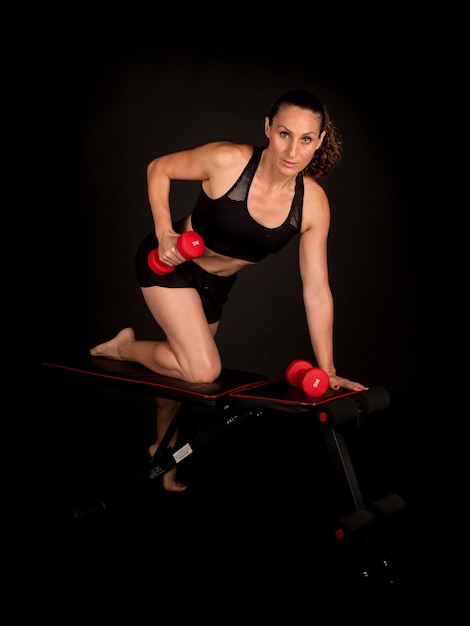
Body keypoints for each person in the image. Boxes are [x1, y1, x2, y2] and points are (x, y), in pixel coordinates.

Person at [90, 89, 368, 492]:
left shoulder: (313, 205)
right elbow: (158, 168)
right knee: (201, 370)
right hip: (171, 265)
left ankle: (160, 454)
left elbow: (316, 289)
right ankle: (123, 348)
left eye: (306, 139)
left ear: (320, 141)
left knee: (182, 376)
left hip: (215, 285)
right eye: (285, 133)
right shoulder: (228, 160)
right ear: (268, 128)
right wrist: (165, 231)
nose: (292, 149)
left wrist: (326, 368)